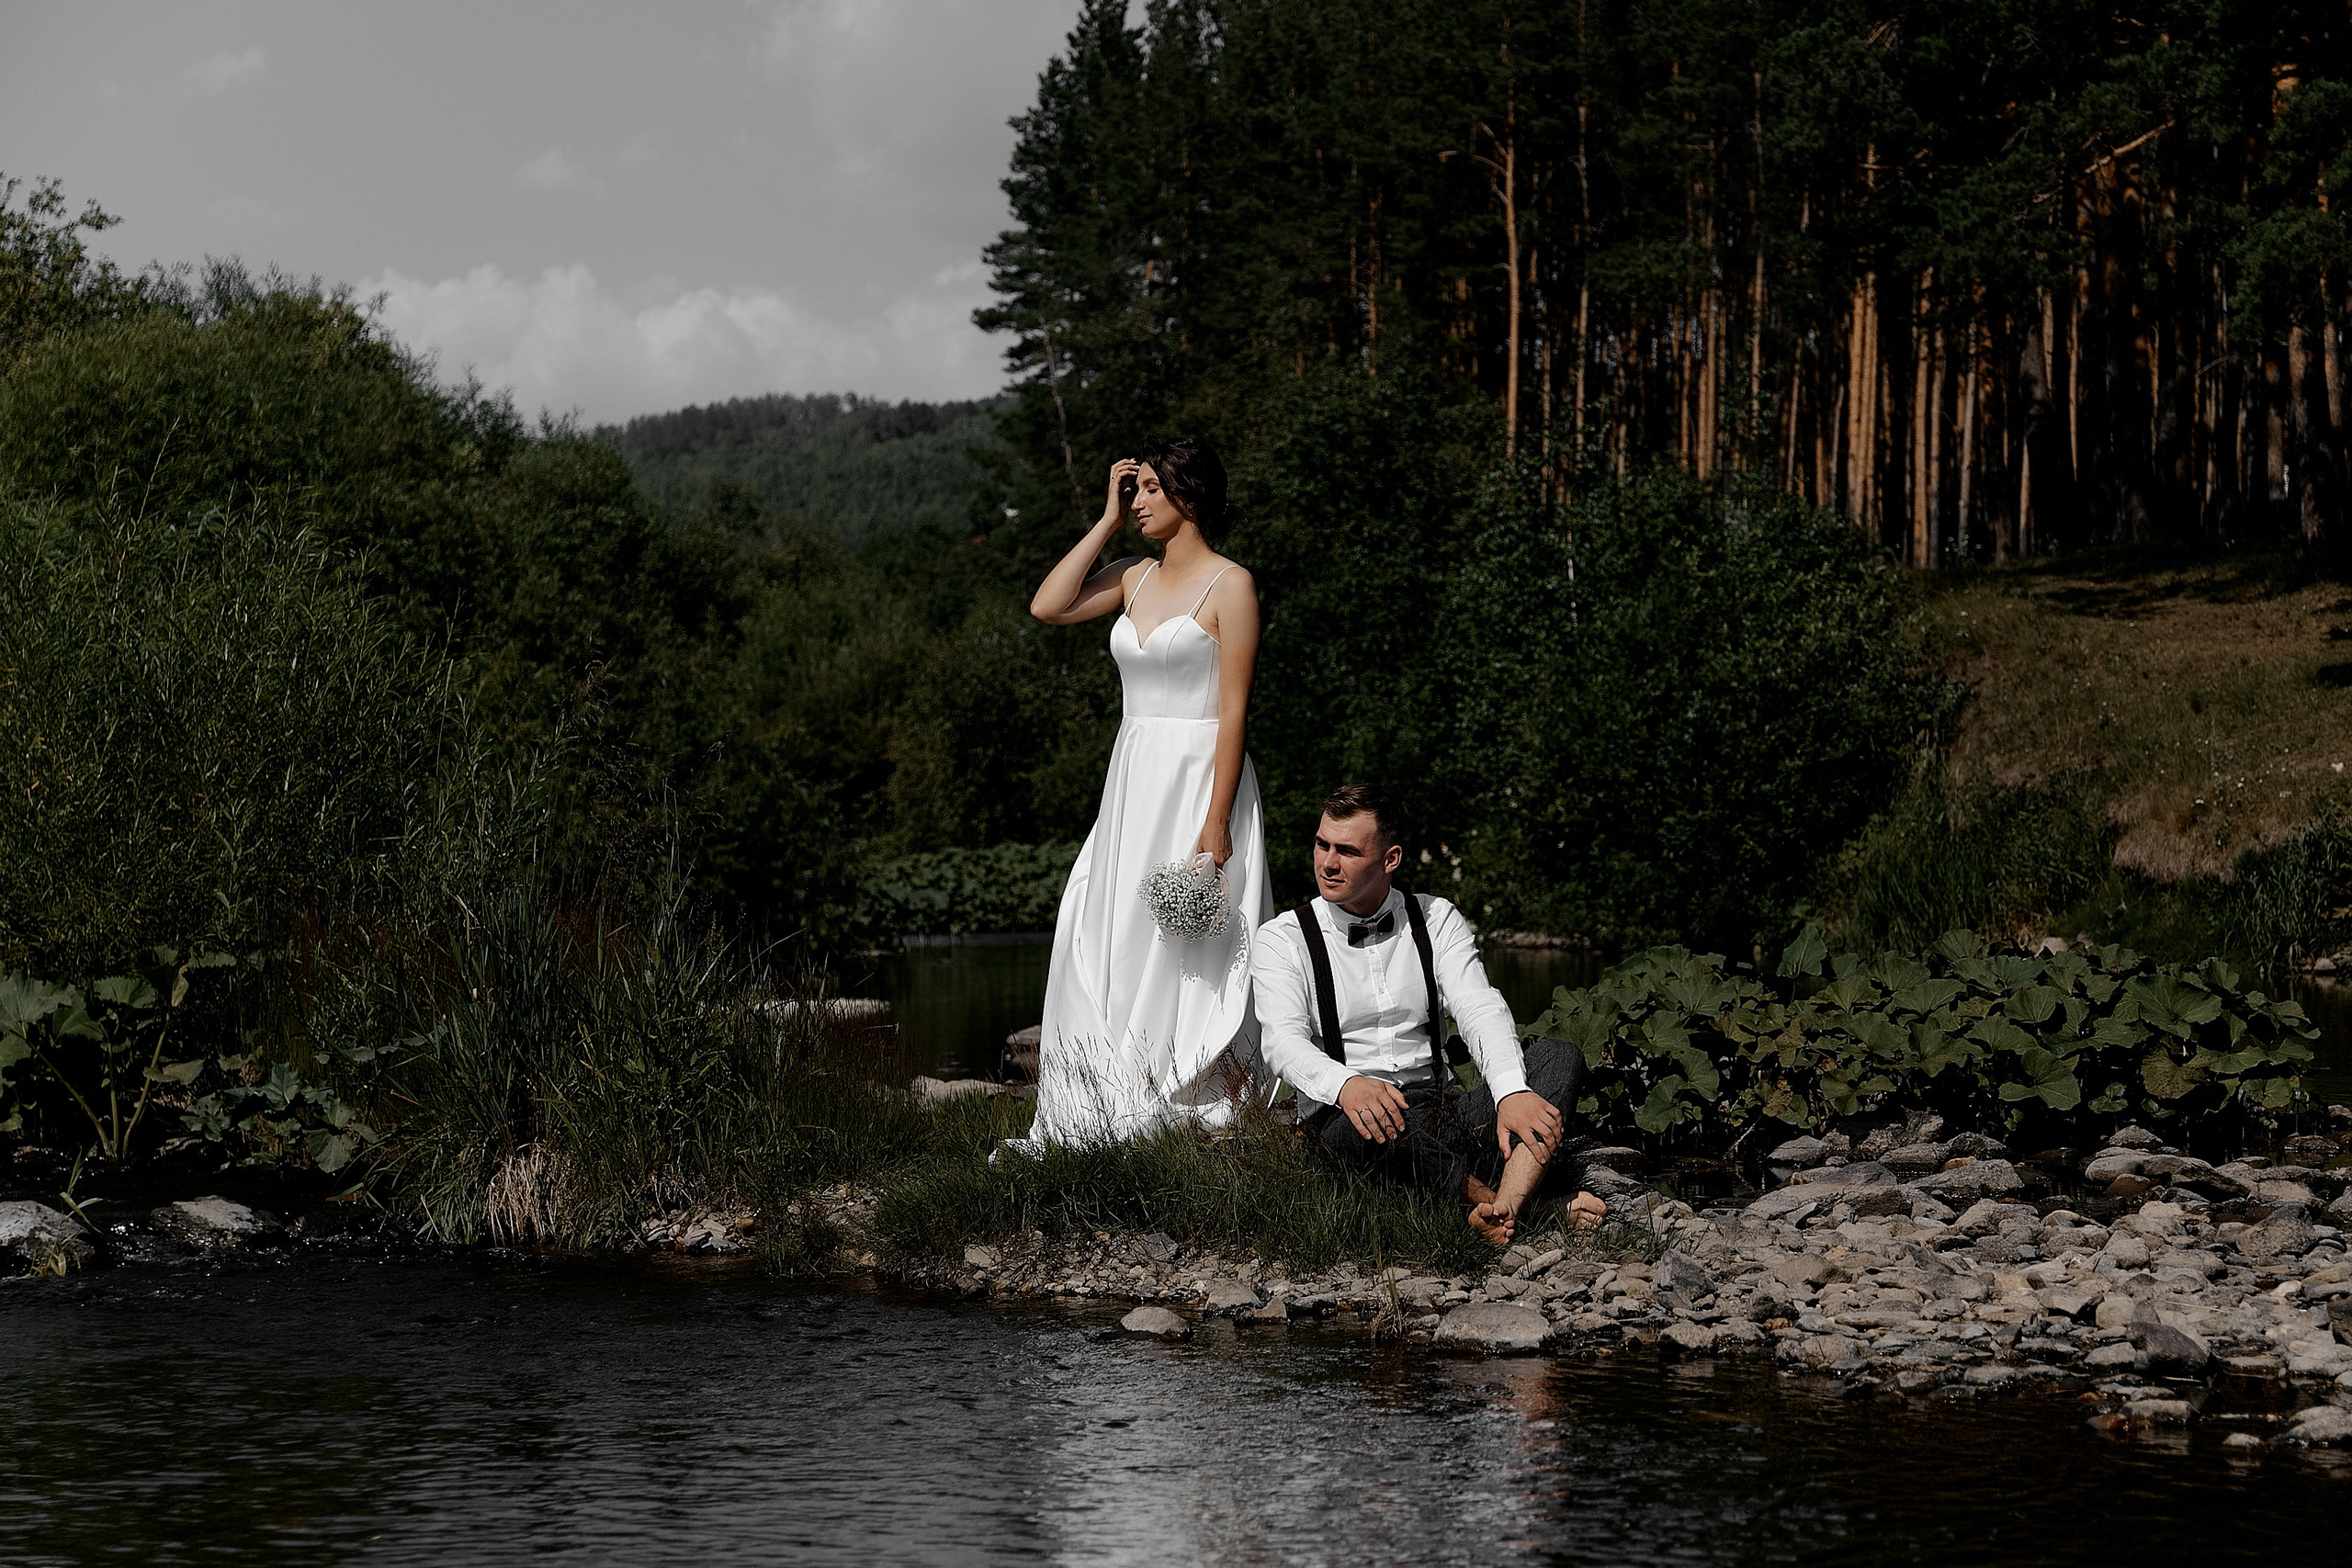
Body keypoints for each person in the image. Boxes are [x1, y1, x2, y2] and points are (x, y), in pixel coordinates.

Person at [1009, 437, 1273, 1149]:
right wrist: (1103, 521)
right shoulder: (1131, 576)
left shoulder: (1232, 584)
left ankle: (1186, 1082)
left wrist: (1216, 825)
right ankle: (1104, 1087)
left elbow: (1234, 711)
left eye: (1152, 488)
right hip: (1133, 777)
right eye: (1137, 489)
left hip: (1197, 775)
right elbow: (1047, 605)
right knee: (1101, 921)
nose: (1140, 500)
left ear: (1190, 496)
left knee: (1184, 940)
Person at [1250, 784, 1605, 1246]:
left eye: (1347, 851)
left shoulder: (1436, 918)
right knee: (1363, 1132)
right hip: (1351, 1122)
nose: (1327, 863)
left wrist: (1510, 1092)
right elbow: (1283, 1042)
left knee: (1559, 1056)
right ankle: (1526, 1209)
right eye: (1322, 844)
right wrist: (1346, 1085)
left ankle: (1502, 1213)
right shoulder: (1283, 938)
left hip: (1440, 1111)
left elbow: (1479, 1007)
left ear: (1390, 859)